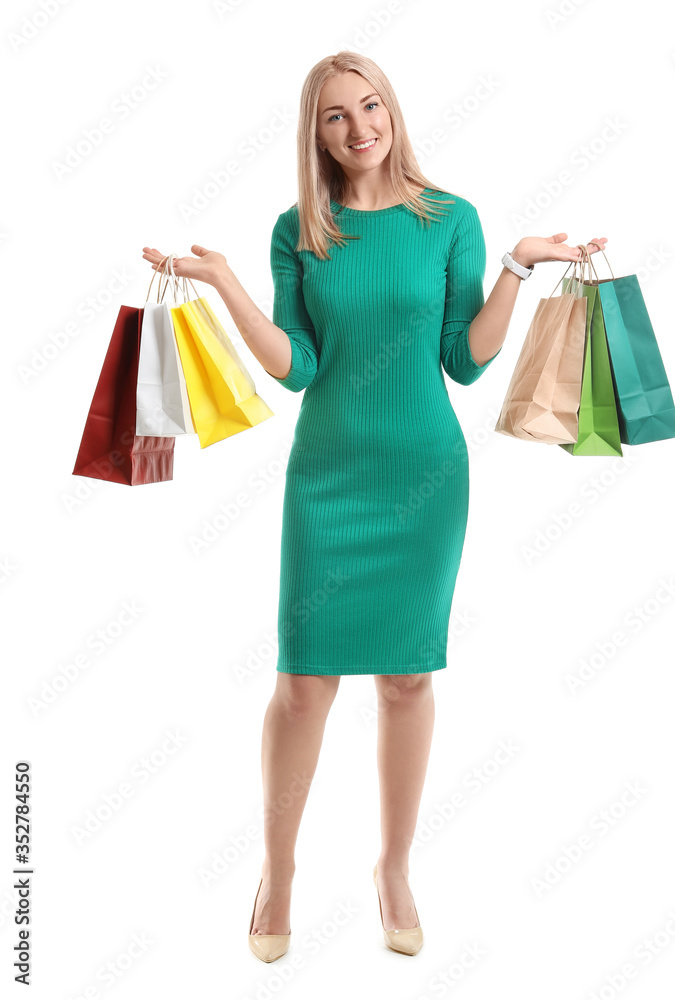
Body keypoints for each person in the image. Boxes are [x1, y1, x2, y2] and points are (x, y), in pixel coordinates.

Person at [142, 50, 607, 963]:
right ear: (314, 134)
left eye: (371, 106)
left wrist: (516, 265)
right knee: (304, 682)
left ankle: (394, 866)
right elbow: (300, 368)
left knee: (406, 678)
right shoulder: (299, 230)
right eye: (334, 117)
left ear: (392, 111)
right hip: (326, 480)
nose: (359, 127)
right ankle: (277, 871)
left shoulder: (450, 220)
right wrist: (226, 281)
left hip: (425, 480)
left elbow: (465, 362)